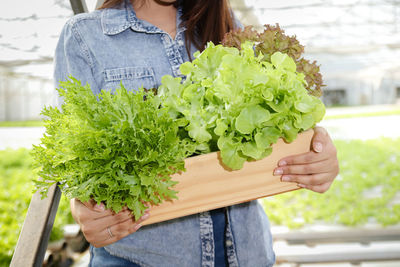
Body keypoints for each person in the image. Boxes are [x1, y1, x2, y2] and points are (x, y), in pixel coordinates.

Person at [54, 0, 339, 266]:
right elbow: (77, 153)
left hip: (248, 254)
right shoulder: (84, 36)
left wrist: (315, 152)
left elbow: (270, 127)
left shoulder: (228, 27)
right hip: (141, 258)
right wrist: (84, 206)